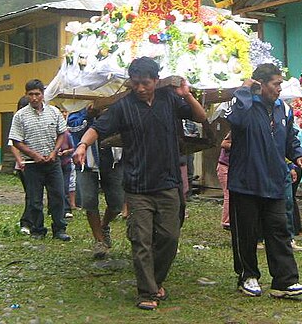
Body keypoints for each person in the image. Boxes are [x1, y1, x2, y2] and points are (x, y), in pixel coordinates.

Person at [73, 57, 206, 311]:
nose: (141, 88)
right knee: (141, 239)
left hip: (168, 183)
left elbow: (199, 117)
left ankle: (155, 281)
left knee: (169, 236)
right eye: (136, 83)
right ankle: (147, 291)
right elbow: (98, 128)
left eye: (145, 83)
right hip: (137, 186)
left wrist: (187, 95)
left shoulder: (169, 100)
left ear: (156, 81)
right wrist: (82, 145)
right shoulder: (123, 107)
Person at [225, 63, 302, 299]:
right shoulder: (244, 105)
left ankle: (284, 281)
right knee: (246, 233)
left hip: (274, 181)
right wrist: (244, 90)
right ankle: (248, 276)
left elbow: (291, 137)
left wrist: (299, 154)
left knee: (279, 231)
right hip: (245, 181)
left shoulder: (283, 109)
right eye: (275, 84)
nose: (279, 89)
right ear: (260, 85)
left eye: (280, 83)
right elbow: (234, 119)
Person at [8, 79, 71, 241]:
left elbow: (62, 133)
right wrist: (33, 154)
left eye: (37, 94)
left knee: (57, 195)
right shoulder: (20, 116)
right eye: (31, 94)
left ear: (43, 95)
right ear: (26, 95)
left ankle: (59, 229)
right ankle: (37, 229)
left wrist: (54, 151)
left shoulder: (54, 112)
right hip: (32, 164)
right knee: (35, 199)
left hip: (53, 162)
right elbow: (16, 141)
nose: (34, 98)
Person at [75, 126, 125, 260]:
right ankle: (99, 241)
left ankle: (103, 226)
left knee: (117, 203)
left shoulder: (116, 109)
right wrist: (88, 115)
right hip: (87, 162)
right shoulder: (78, 107)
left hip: (113, 161)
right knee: (89, 201)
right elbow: (73, 126)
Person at [9, 96, 32, 234]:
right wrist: (20, 161)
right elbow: (13, 144)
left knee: (34, 195)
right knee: (31, 194)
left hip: (37, 163)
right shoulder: (18, 121)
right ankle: (26, 222)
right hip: (25, 165)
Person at [56, 105, 76, 219]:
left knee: (65, 187)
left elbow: (73, 148)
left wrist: (65, 152)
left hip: (66, 163)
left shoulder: (67, 134)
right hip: (55, 163)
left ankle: (67, 209)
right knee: (56, 188)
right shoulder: (52, 133)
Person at [217, 132, 232, 230]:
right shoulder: (235, 130)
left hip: (233, 167)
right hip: (224, 166)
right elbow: (224, 144)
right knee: (228, 193)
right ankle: (226, 221)